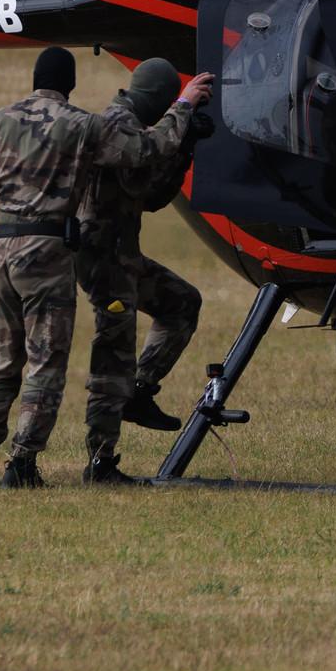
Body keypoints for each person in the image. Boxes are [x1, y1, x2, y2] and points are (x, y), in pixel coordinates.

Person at [0, 46, 212, 489]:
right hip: (47, 250)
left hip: (1, 249)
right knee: (46, 361)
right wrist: (182, 109)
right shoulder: (81, 125)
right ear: (70, 84)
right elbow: (147, 150)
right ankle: (22, 464)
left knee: (2, 357)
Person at [74, 57, 212, 485]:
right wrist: (184, 109)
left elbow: (149, 193)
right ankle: (100, 462)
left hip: (122, 257)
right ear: (159, 98)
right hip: (102, 261)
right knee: (113, 355)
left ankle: (140, 391)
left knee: (181, 303)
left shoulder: (135, 126)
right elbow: (150, 150)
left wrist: (186, 147)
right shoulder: (116, 124)